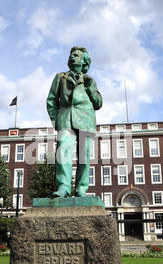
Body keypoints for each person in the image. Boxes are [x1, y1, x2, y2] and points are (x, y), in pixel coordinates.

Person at [46, 46, 103, 198]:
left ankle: (81, 189)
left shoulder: (90, 80)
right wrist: (56, 120)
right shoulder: (60, 77)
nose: (72, 57)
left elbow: (98, 103)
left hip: (85, 120)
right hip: (65, 119)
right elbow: (51, 101)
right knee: (63, 150)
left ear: (84, 61)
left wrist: (90, 87)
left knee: (84, 155)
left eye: (76, 56)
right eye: (71, 55)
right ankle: (63, 187)